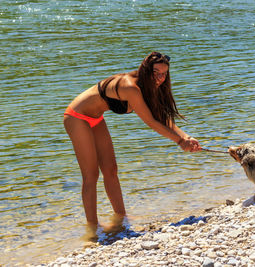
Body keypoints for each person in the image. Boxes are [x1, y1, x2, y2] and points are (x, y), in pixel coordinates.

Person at [63, 52, 201, 237]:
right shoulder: (131, 88)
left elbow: (161, 117)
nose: (160, 78)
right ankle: (92, 228)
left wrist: (186, 136)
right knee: (91, 174)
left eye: (164, 74)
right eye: (156, 72)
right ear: (145, 69)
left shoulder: (151, 86)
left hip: (95, 118)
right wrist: (179, 141)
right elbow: (151, 122)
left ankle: (121, 218)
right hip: (77, 117)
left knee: (111, 169)